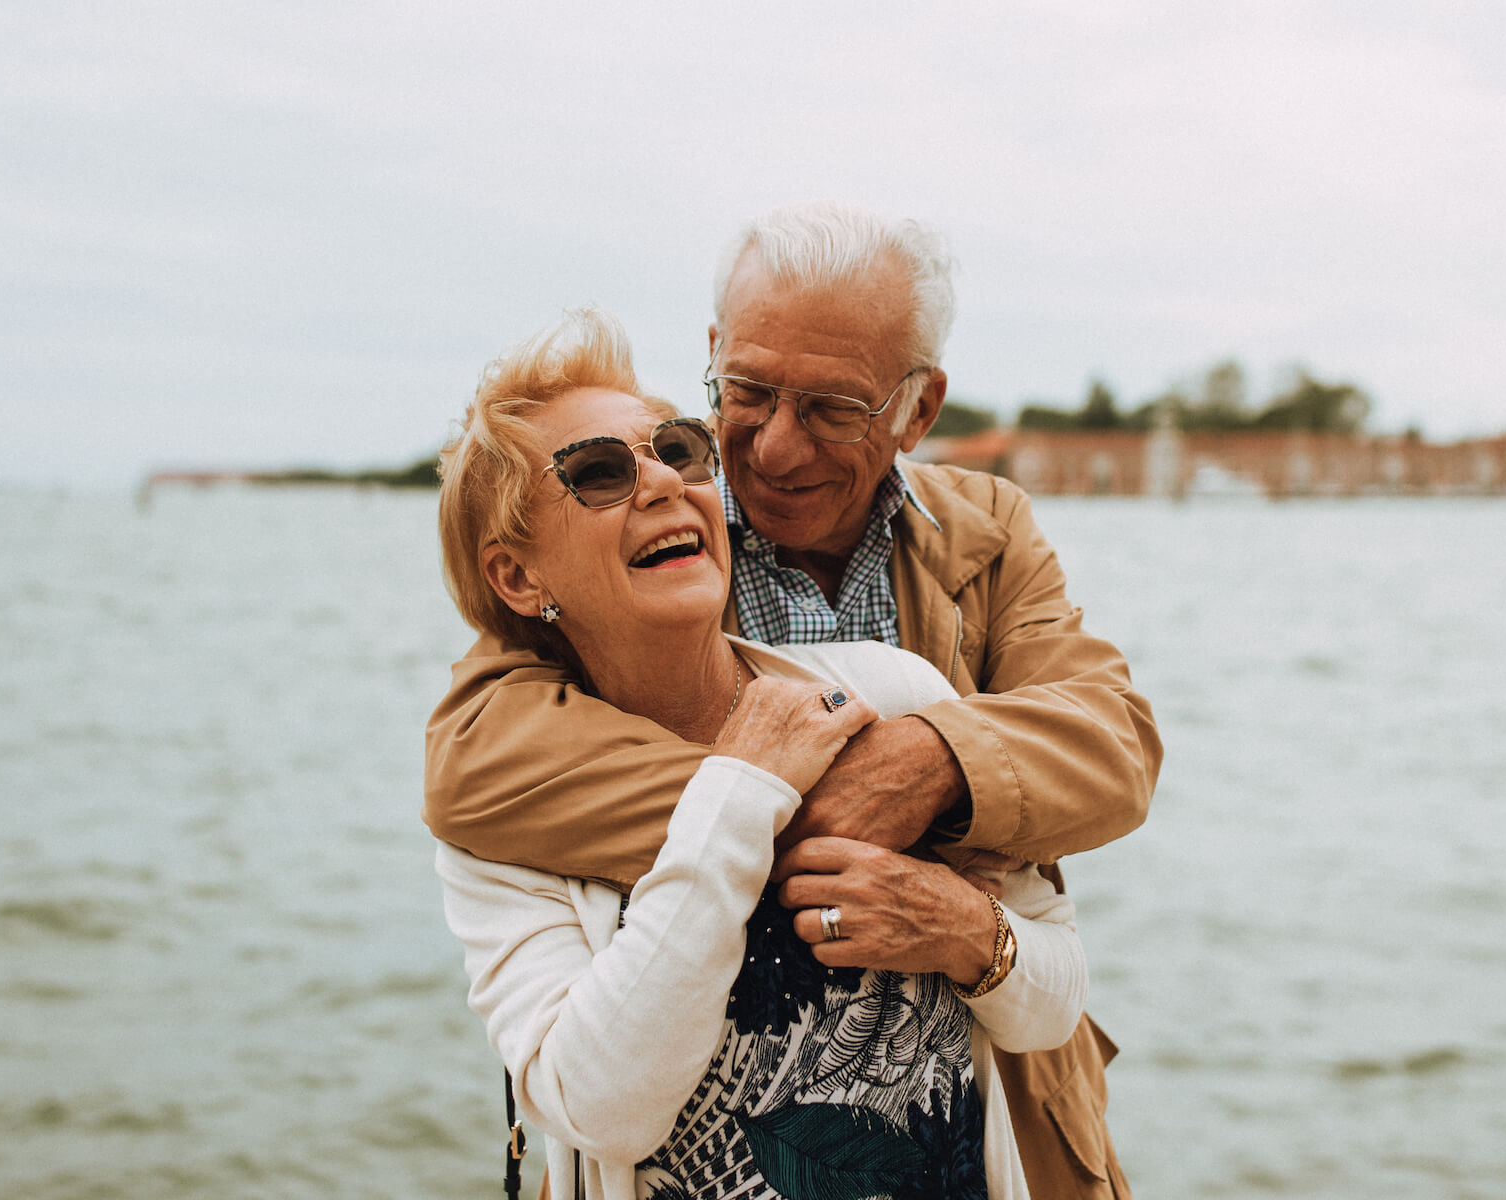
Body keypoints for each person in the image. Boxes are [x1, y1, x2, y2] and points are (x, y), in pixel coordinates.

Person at [426, 203, 1163, 1197]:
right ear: (714, 356)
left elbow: (1112, 740)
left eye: (831, 409)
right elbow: (472, 760)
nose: (774, 448)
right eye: (748, 393)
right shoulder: (622, 561)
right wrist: (774, 801)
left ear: (919, 406)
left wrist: (932, 768)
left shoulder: (984, 536)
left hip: (1002, 1121)